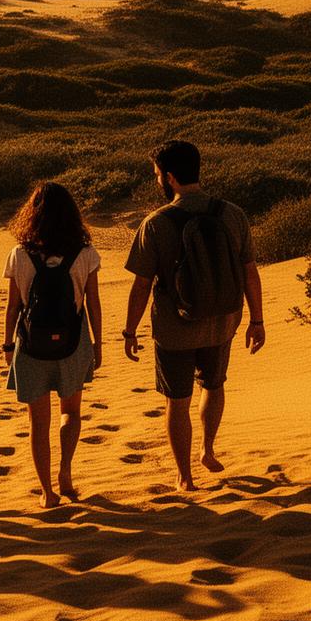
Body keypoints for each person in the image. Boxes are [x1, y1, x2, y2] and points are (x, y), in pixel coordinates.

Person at [121, 140, 265, 491]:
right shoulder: (232, 214)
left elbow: (141, 285)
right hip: (222, 321)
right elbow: (250, 272)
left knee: (177, 400)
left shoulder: (155, 223)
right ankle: (208, 449)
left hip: (175, 328)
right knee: (214, 386)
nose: (157, 180)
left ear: (169, 178)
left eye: (157, 174)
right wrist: (257, 321)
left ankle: (184, 476)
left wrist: (129, 330)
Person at [1, 182, 103, 507]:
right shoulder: (85, 254)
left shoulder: (19, 253)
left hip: (31, 346)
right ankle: (66, 472)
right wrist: (98, 343)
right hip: (74, 344)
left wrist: (6, 345)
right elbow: (94, 304)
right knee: (71, 412)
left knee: (38, 421)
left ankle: (46, 491)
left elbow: (13, 306)